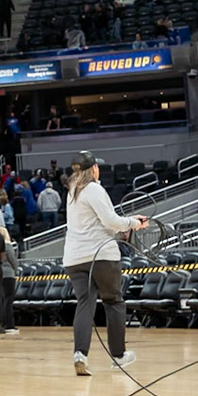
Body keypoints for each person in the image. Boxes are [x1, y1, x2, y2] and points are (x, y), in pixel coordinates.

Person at [62, 152, 146, 375]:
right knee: (113, 301)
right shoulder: (95, 189)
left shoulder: (72, 192)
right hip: (101, 256)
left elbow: (101, 223)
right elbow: (111, 221)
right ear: (95, 169)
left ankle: (80, 354)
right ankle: (118, 356)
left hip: (74, 258)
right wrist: (133, 223)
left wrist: (125, 224)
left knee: (85, 304)